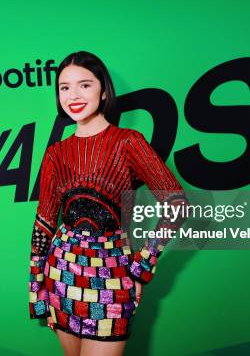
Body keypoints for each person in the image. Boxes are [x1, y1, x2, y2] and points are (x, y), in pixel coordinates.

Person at [28, 50, 188, 356]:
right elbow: (43, 226)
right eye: (64, 87)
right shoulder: (56, 153)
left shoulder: (129, 142)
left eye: (84, 85)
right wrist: (39, 292)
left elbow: (177, 202)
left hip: (112, 276)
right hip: (61, 275)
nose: (73, 95)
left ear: (103, 91)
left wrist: (141, 268)